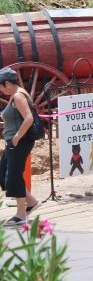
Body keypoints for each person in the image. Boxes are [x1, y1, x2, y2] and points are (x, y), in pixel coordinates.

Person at [0, 67, 41, 227]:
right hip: (13, 141)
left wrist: (16, 137)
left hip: (19, 141)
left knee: (13, 176)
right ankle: (31, 202)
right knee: (3, 173)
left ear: (7, 83)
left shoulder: (18, 96)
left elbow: (28, 118)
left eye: (1, 86)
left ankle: (21, 214)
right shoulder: (14, 95)